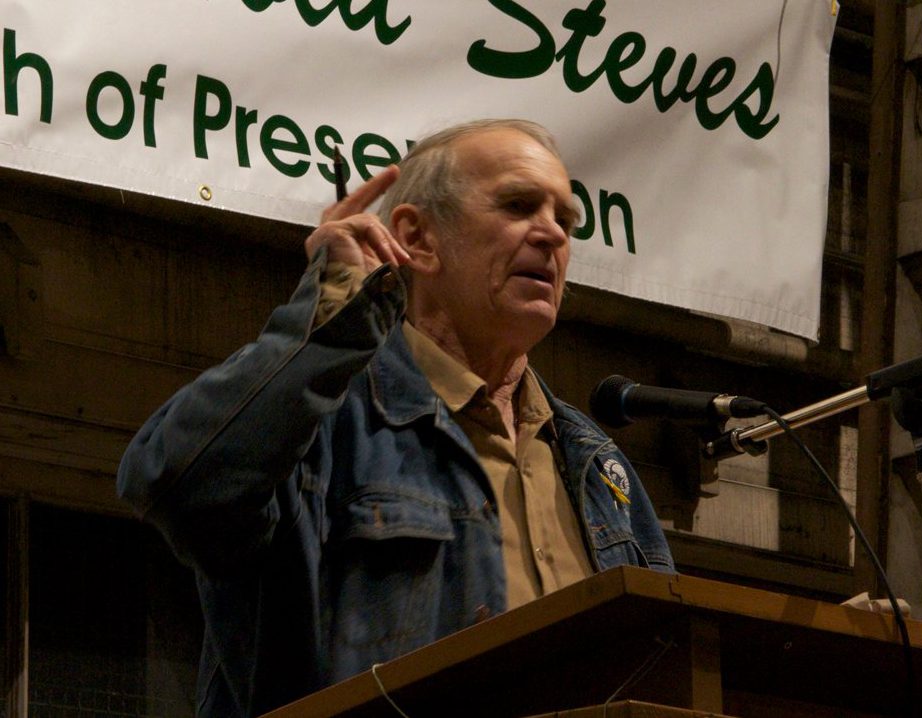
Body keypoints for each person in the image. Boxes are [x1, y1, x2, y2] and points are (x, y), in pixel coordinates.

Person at [117, 119, 675, 717]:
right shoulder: (326, 419)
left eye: (564, 222)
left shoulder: (594, 460)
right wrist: (330, 316)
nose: (550, 235)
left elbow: (671, 654)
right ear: (419, 237)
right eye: (518, 205)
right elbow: (176, 481)